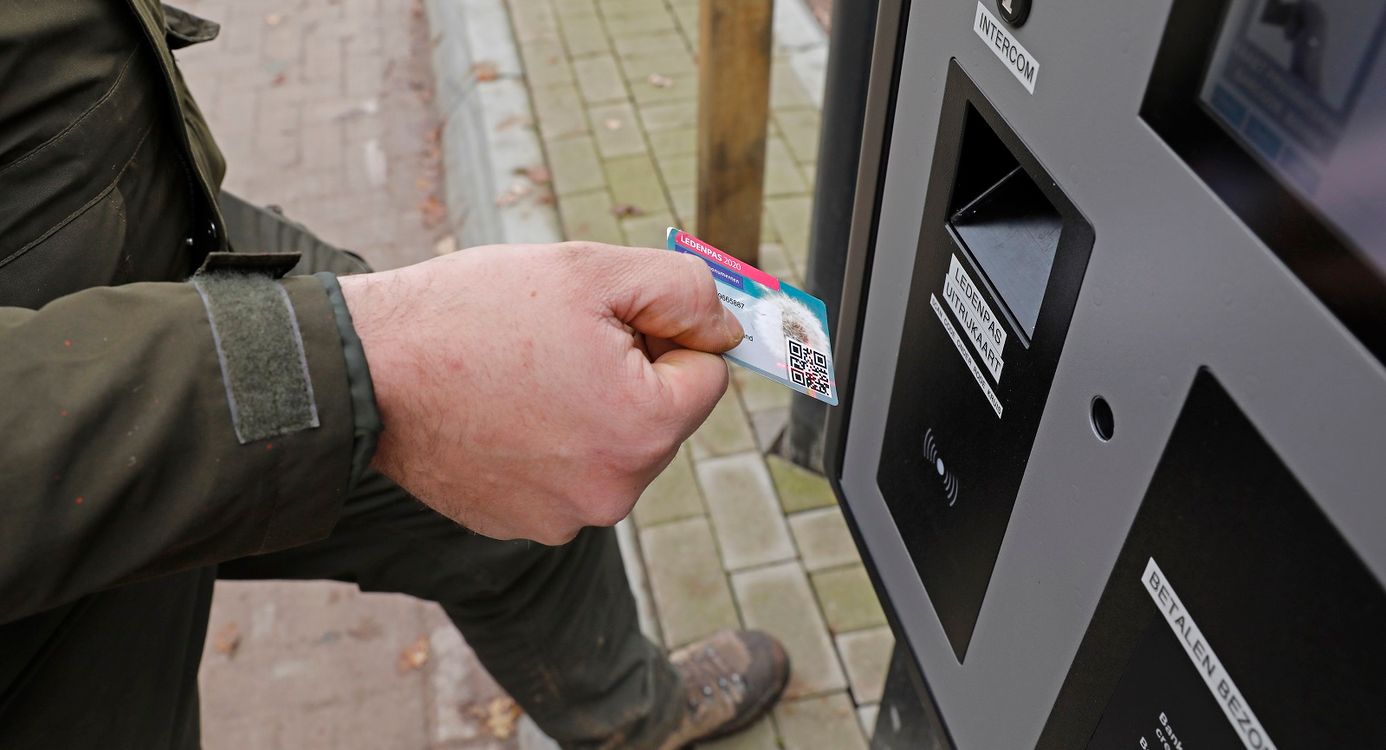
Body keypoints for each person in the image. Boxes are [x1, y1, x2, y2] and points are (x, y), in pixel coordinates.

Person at [0, 3, 790, 748]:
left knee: (521, 457)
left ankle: (636, 717)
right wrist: (356, 362)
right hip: (48, 535)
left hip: (159, 225)